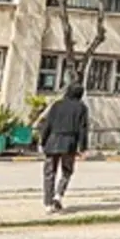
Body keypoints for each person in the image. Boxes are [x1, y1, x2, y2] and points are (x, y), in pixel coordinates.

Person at [38, 82, 89, 214]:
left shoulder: (57, 105)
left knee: (49, 173)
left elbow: (48, 124)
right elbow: (83, 129)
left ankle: (48, 203)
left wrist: (42, 141)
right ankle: (58, 195)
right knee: (67, 171)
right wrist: (83, 147)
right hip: (69, 143)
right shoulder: (81, 108)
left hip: (52, 141)